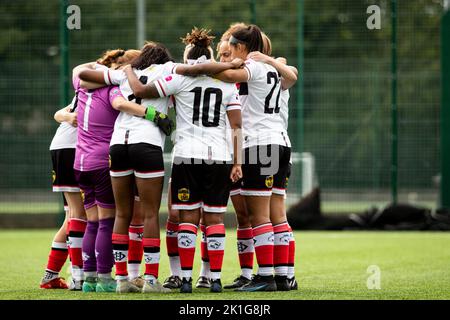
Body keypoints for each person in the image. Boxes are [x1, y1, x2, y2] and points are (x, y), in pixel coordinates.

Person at [123, 28, 244, 293]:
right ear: (210, 57)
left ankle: (186, 279)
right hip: (219, 156)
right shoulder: (227, 84)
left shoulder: (178, 79)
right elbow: (236, 125)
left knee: (187, 218)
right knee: (214, 220)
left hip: (187, 154)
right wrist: (238, 162)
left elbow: (142, 90)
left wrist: (129, 69)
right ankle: (214, 279)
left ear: (187, 58)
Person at [184, 24, 297, 291]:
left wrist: (191, 68)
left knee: (260, 216)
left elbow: (224, 75)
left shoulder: (253, 68)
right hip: (279, 144)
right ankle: (283, 276)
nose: (229, 55)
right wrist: (272, 60)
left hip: (259, 145)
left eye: (231, 49)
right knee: (276, 214)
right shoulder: (272, 69)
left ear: (243, 48)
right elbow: (291, 75)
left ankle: (266, 276)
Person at [78, 42, 176, 293]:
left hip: (118, 145)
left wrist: (122, 70)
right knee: (150, 213)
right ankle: (151, 280)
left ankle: (121, 280)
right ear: (164, 59)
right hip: (147, 144)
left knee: (122, 213)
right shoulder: (169, 70)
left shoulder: (123, 74)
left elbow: (84, 75)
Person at [72, 49, 147, 292]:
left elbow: (77, 70)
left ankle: (88, 280)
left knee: (91, 222)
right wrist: (152, 114)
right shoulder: (112, 89)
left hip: (80, 163)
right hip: (103, 162)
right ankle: (105, 278)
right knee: (107, 222)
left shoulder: (81, 86)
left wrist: (101, 64)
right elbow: (121, 104)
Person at [40, 96, 85, 289]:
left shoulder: (90, 82)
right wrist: (68, 117)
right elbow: (59, 114)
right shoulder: (107, 82)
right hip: (74, 148)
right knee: (81, 214)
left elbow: (59, 113)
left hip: (63, 147)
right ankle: (79, 275)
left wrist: (66, 117)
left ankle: (51, 276)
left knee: (71, 217)